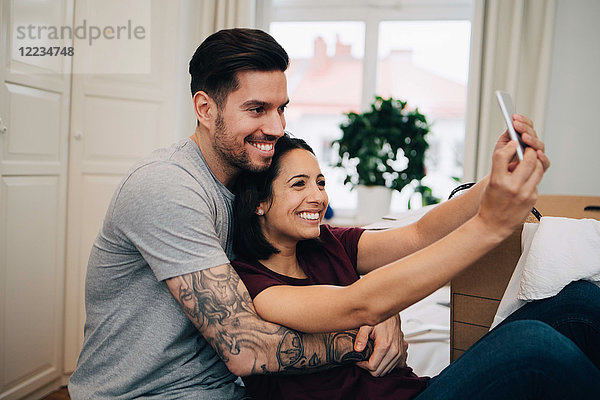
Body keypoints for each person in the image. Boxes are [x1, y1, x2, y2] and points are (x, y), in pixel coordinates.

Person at [68, 29, 404, 399]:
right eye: (257, 109)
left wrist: (374, 308)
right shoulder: (166, 187)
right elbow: (247, 348)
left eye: (281, 109)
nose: (277, 127)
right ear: (205, 109)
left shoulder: (251, 183)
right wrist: (364, 335)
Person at [231, 134, 600, 399]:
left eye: (321, 182)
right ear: (259, 203)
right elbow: (357, 304)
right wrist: (490, 226)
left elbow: (419, 234)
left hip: (419, 390)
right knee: (532, 345)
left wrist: (497, 180)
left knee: (579, 301)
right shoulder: (254, 284)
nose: (318, 196)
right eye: (300, 184)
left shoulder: (326, 243)